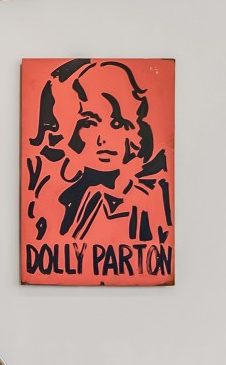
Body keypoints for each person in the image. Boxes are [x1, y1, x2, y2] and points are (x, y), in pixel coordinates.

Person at [24, 58, 171, 245]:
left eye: (117, 124)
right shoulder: (54, 190)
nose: (103, 139)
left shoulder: (147, 198)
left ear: (134, 131)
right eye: (90, 124)